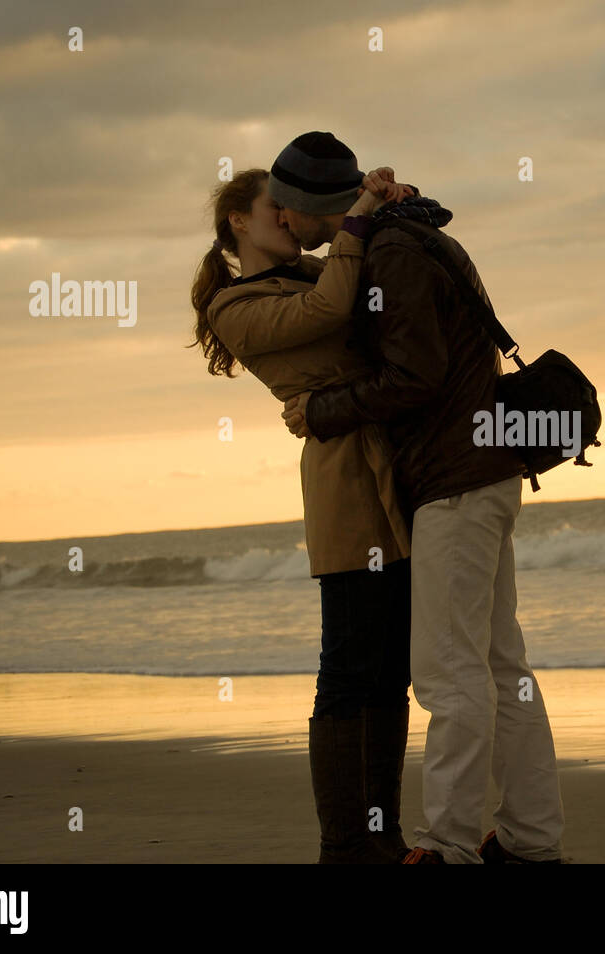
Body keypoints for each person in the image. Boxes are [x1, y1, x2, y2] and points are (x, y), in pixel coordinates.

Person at [277, 132, 565, 864]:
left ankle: (447, 847)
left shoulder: (393, 254)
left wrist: (323, 410)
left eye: (288, 211)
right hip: (483, 470)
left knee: (449, 670)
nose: (284, 226)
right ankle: (531, 841)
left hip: (455, 480)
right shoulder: (406, 237)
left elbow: (416, 376)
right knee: (501, 665)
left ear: (313, 207)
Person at [189, 144, 416, 863]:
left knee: (391, 669)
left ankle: (385, 834)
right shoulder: (237, 306)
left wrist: (384, 204)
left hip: (396, 471)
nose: (290, 219)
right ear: (239, 222)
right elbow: (334, 307)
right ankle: (343, 844)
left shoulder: (321, 265)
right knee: (348, 664)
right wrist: (352, 224)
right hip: (345, 489)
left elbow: (373, 289)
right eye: (274, 209)